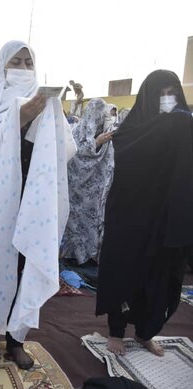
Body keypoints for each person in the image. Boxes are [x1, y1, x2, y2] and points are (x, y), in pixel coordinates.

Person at [0, 41, 76, 370]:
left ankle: (16, 339)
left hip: (33, 199)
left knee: (25, 265)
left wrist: (45, 119)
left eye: (28, 61)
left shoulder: (47, 102)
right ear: (3, 64)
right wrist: (21, 114)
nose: (23, 67)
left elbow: (66, 148)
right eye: (17, 61)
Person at [96, 70, 193, 357]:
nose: (167, 99)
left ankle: (145, 332)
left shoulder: (184, 126)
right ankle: (116, 332)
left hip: (168, 217)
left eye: (171, 93)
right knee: (126, 271)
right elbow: (125, 154)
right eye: (161, 93)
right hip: (132, 215)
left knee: (162, 276)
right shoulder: (134, 128)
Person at [61, 98, 115, 266]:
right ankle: (72, 255)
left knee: (92, 223)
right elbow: (74, 156)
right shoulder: (77, 131)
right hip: (76, 190)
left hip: (95, 193)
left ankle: (89, 255)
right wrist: (96, 143)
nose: (102, 117)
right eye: (100, 113)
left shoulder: (107, 131)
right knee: (74, 223)